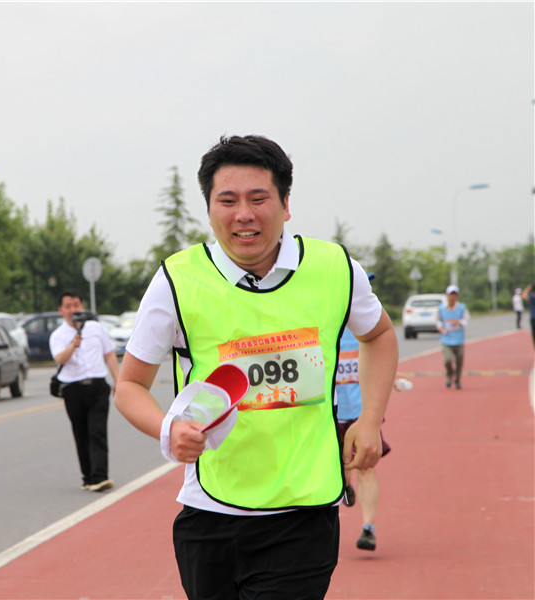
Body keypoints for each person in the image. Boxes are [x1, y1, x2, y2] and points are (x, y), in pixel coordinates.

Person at [115, 135, 398, 600]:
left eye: (258, 198)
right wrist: (168, 428)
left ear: (285, 205)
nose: (243, 214)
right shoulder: (177, 280)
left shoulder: (334, 268)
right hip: (210, 514)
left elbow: (380, 334)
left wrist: (370, 420)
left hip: (304, 512)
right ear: (210, 210)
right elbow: (129, 385)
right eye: (227, 201)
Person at [50, 290, 119, 492]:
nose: (73, 310)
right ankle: (88, 477)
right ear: (61, 310)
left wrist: (119, 381)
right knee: (81, 433)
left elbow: (109, 354)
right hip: (73, 389)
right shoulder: (58, 335)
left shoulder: (96, 328)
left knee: (97, 431)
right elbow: (60, 359)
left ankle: (100, 476)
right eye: (68, 306)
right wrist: (74, 344)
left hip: (97, 386)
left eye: (77, 305)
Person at [336, 321, 395, 553]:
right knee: (341, 467)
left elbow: (382, 355)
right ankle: (345, 485)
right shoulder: (324, 326)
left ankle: (368, 528)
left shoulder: (366, 329)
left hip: (362, 416)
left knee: (366, 469)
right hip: (333, 414)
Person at [437, 285, 469, 390]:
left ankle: (457, 380)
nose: (452, 297)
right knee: (447, 360)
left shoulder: (462, 308)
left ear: (457, 296)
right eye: (451, 295)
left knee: (459, 362)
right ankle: (449, 376)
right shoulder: (441, 309)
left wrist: (459, 322)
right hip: (446, 339)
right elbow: (438, 321)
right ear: (447, 296)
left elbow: (466, 321)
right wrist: (441, 328)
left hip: (459, 340)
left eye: (455, 295)